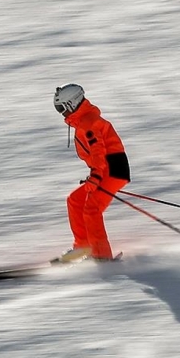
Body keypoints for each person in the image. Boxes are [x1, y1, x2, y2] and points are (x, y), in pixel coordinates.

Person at [53, 84, 130, 261]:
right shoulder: (84, 122)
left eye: (61, 108)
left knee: (92, 210)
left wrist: (96, 175)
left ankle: (102, 257)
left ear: (72, 104)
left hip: (113, 169)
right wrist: (96, 173)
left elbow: (98, 150)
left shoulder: (88, 123)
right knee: (75, 200)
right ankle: (83, 246)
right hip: (105, 169)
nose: (61, 113)